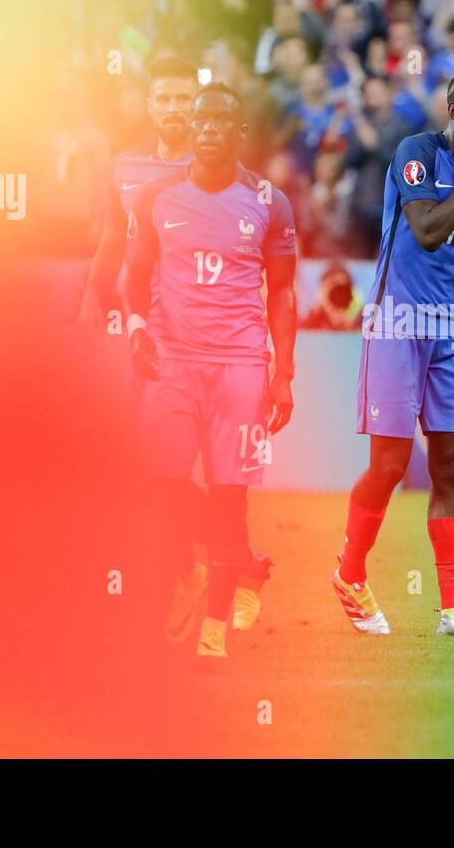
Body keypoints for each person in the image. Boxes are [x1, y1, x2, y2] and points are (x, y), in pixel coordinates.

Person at [332, 68, 454, 637]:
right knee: (391, 466)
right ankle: (349, 573)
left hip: (453, 331)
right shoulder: (414, 153)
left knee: (451, 470)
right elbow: (427, 230)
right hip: (396, 326)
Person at [123, 82, 298, 660]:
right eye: (200, 120)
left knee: (230, 499)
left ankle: (214, 630)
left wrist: (283, 374)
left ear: (239, 132)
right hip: (172, 361)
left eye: (220, 122)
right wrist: (137, 329)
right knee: (158, 490)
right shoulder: (155, 196)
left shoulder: (268, 202)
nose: (206, 130)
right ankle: (212, 572)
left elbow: (284, 295)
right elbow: (134, 276)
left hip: (240, 367)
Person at [78, 56, 198, 326]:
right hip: (139, 321)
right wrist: (93, 296)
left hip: (200, 328)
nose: (173, 108)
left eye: (183, 99)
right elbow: (112, 243)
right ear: (150, 106)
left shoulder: (222, 171)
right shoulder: (124, 167)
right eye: (164, 100)